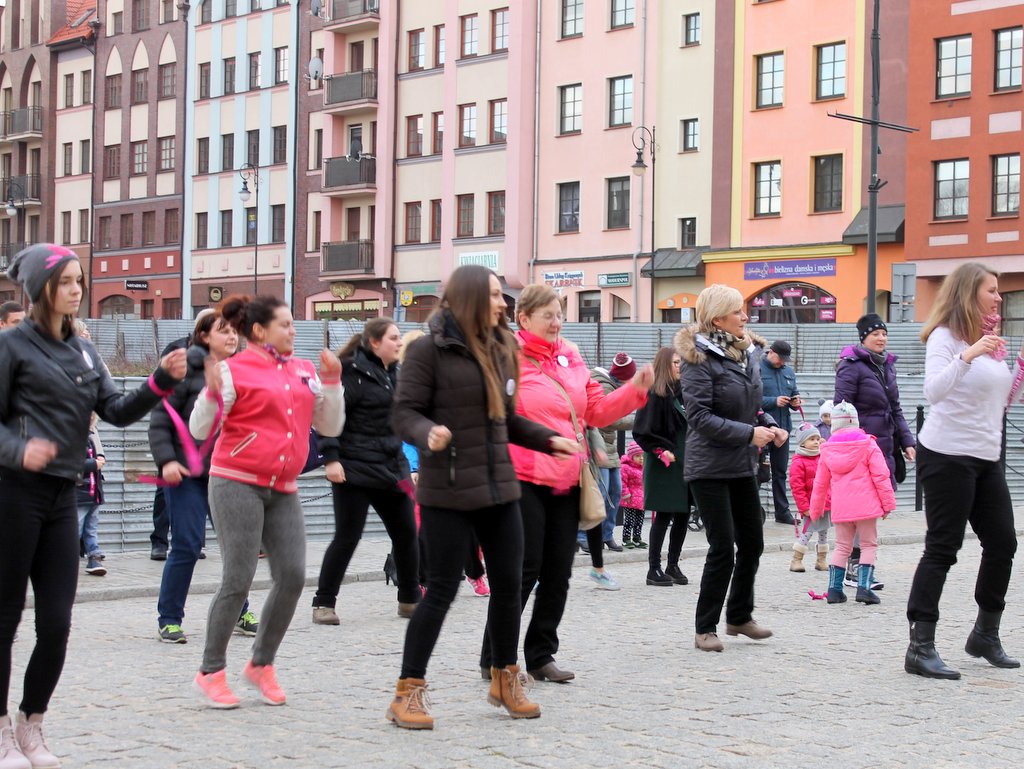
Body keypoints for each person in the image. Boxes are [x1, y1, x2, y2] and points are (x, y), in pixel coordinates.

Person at [0, 243, 186, 767]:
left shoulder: (84, 350)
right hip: (13, 494)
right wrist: (19, 450)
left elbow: (118, 410)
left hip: (65, 493)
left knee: (56, 622)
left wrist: (160, 382)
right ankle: (0, 734)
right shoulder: (11, 347)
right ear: (41, 289)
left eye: (80, 280)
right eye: (65, 282)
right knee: (6, 619)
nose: (76, 289)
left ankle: (31, 724)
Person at [387, 265, 577, 729]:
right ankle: (408, 690)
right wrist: (428, 431)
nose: (502, 302)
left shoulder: (500, 350)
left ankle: (504, 676)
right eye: (495, 294)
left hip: (499, 486)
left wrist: (548, 438)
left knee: (510, 586)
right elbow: (404, 412)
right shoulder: (429, 351)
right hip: (448, 490)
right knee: (443, 592)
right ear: (471, 297)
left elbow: (506, 420)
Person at [478, 283, 650, 683]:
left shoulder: (571, 356)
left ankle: (541, 655)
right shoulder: (506, 357)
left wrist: (635, 391)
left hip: (568, 476)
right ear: (523, 319)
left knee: (559, 571)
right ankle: (495, 656)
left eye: (560, 315)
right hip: (522, 474)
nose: (557, 323)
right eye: (548, 316)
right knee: (523, 569)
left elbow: (597, 412)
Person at [189, 294, 344, 708]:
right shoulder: (232, 370)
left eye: (293, 325)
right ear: (259, 331)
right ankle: (210, 670)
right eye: (286, 324)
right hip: (235, 481)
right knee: (237, 579)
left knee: (292, 575)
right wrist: (209, 395)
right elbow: (201, 429)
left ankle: (261, 663)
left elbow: (328, 425)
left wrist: (332, 384)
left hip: (284, 487)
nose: (294, 331)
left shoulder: (305, 370)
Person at [905, 263, 1022, 680]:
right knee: (943, 547)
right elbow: (934, 390)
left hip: (985, 456)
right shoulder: (946, 337)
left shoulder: (990, 342)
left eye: (999, 290)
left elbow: (995, 403)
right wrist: (967, 355)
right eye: (992, 289)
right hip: (947, 455)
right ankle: (920, 645)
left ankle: (985, 634)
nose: (998, 297)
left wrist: (1018, 373)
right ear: (970, 292)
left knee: (1003, 542)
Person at [677, 284, 786, 653]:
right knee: (722, 547)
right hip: (708, 465)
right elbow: (699, 417)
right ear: (717, 318)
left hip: (741, 463)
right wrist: (748, 434)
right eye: (738, 311)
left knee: (753, 542)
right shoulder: (697, 358)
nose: (745, 317)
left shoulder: (746, 354)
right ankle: (704, 627)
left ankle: (739, 616)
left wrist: (769, 425)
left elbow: (751, 406)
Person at [149, 309, 260, 644]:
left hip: (227, 472)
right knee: (186, 544)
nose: (232, 337)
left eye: (234, 331)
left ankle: (239, 611)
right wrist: (167, 460)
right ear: (203, 335)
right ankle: (169, 619)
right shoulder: (182, 370)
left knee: (236, 547)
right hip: (186, 473)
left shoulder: (242, 371)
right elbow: (159, 420)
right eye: (222, 330)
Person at [311, 318, 420, 624]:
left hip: (390, 466)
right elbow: (329, 417)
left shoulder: (396, 374)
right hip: (353, 468)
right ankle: (324, 603)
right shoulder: (350, 373)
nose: (399, 343)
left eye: (399, 338)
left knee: (407, 533)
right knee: (348, 536)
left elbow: (406, 418)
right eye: (393, 338)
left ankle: (410, 599)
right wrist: (330, 458)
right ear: (375, 343)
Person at [834, 313, 916, 591]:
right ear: (863, 338)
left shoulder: (887, 367)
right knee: (862, 506)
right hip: (859, 449)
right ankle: (854, 566)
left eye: (884, 333)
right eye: (875, 334)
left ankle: (858, 564)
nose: (881, 338)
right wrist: (852, 442)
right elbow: (841, 408)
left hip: (883, 447)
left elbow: (896, 408)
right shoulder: (851, 366)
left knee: (871, 507)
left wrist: (907, 442)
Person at [808, 402, 895, 605]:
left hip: (841, 508)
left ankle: (835, 590)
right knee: (868, 545)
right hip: (867, 506)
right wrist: (887, 504)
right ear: (855, 422)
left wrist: (816, 510)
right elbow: (881, 475)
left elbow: (820, 483)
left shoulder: (827, 450)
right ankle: (864, 589)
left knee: (841, 547)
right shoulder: (868, 444)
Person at [633, 346, 692, 587]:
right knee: (664, 515)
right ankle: (653, 568)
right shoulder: (654, 393)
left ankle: (673, 564)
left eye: (681, 362)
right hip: (664, 462)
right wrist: (660, 451)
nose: (680, 367)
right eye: (676, 362)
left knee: (683, 514)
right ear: (665, 365)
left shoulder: (684, 392)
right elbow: (642, 432)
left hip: (685, 460)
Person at [578, 351, 637, 555]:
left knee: (615, 491)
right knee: (600, 494)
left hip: (610, 448)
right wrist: (638, 421)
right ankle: (584, 536)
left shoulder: (613, 385)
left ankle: (606, 534)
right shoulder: (603, 386)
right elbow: (609, 418)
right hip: (598, 446)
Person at [150, 335, 190, 561]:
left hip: (201, 444)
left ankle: (192, 542)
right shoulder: (177, 349)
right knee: (165, 493)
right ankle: (159, 541)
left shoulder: (222, 360)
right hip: (173, 440)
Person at [760, 339, 800, 524]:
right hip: (762, 429)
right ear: (771, 352)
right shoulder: (757, 369)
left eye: (785, 359)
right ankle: (752, 512)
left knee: (780, 472)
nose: (782, 362)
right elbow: (750, 399)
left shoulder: (788, 372)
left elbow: (794, 392)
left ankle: (782, 513)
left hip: (782, 431)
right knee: (758, 473)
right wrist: (773, 401)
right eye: (780, 358)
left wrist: (795, 402)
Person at [787, 423, 830, 573]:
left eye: (818, 438)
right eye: (812, 439)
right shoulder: (798, 462)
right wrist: (804, 507)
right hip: (810, 506)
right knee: (807, 532)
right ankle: (796, 559)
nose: (816, 442)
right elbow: (797, 487)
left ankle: (821, 559)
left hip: (825, 503)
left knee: (824, 531)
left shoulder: (822, 456)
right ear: (802, 442)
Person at [77, 415, 107, 577]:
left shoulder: (91, 433)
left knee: (91, 527)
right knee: (77, 527)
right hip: (81, 492)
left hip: (94, 491)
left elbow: (98, 452)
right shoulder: (72, 433)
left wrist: (100, 458)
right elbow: (70, 462)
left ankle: (94, 557)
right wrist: (93, 464)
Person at [618, 441, 646, 548]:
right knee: (629, 520)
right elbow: (622, 482)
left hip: (642, 499)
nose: (641, 458)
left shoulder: (644, 468)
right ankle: (626, 539)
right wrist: (625, 494)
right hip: (630, 499)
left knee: (639, 520)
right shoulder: (626, 468)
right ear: (631, 456)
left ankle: (637, 538)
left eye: (643, 456)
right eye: (638, 456)